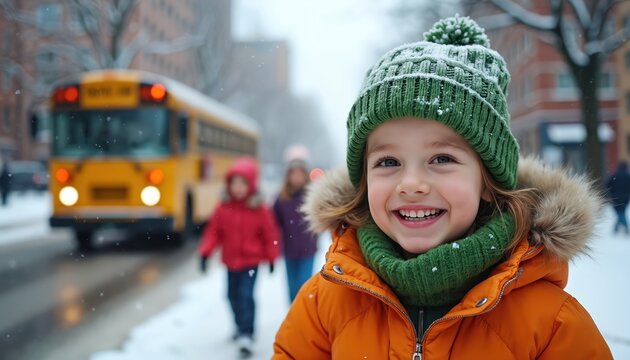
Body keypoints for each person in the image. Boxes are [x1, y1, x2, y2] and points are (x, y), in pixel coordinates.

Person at [273, 15, 612, 359]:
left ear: (487, 182)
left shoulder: (551, 323)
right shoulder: (325, 303)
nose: (412, 184)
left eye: (441, 159)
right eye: (388, 162)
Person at [198, 156, 279, 358]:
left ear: (251, 185)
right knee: (231, 296)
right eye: (235, 183)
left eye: (243, 183)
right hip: (230, 261)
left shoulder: (259, 208)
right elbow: (213, 232)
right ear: (229, 185)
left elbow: (269, 234)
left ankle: (247, 334)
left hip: (251, 262)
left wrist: (271, 257)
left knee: (246, 296)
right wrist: (205, 253)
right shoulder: (223, 207)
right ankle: (238, 326)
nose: (238, 188)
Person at [273, 157, 319, 303]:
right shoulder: (282, 199)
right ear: (288, 176)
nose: (297, 178)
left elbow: (323, 217)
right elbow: (272, 222)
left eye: (300, 174)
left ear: (306, 175)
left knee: (304, 286)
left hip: (308, 250)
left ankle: (304, 317)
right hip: (289, 250)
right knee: (292, 289)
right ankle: (294, 317)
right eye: (293, 174)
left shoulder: (313, 196)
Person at [606, 161, 630, 235]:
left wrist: (611, 193)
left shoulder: (614, 175)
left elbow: (607, 185)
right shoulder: (628, 176)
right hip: (626, 197)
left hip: (615, 197)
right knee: (621, 212)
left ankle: (624, 226)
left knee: (620, 212)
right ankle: (618, 227)